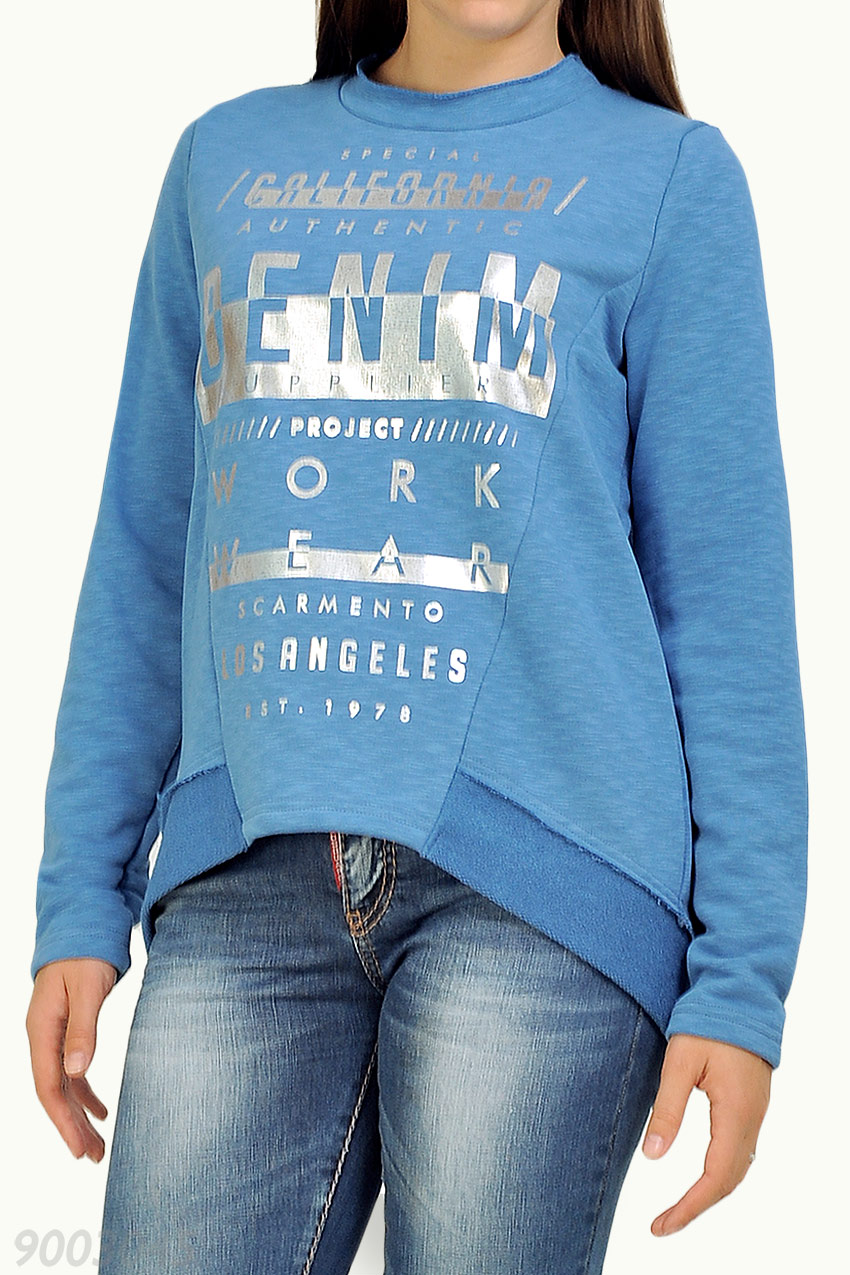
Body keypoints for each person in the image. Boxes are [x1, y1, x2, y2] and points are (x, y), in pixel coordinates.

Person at [26, 1, 808, 1271]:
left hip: (547, 888)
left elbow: (724, 607)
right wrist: (80, 896)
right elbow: (145, 549)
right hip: (243, 880)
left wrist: (741, 981)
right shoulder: (225, 161)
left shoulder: (669, 177)